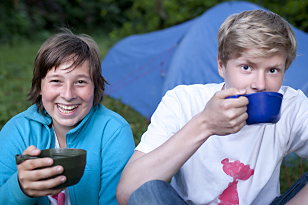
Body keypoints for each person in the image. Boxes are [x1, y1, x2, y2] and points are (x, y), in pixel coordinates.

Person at [116, 9, 308, 205]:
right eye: (246, 67)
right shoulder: (184, 101)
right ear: (221, 65)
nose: (260, 84)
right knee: (148, 191)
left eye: (273, 70)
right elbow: (128, 192)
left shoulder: (291, 105)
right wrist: (205, 124)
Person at [0, 29, 135, 204]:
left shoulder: (113, 132)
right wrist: (20, 188)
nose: (68, 94)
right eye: (56, 81)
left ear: (95, 86)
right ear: (40, 86)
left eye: (80, 82)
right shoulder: (18, 130)